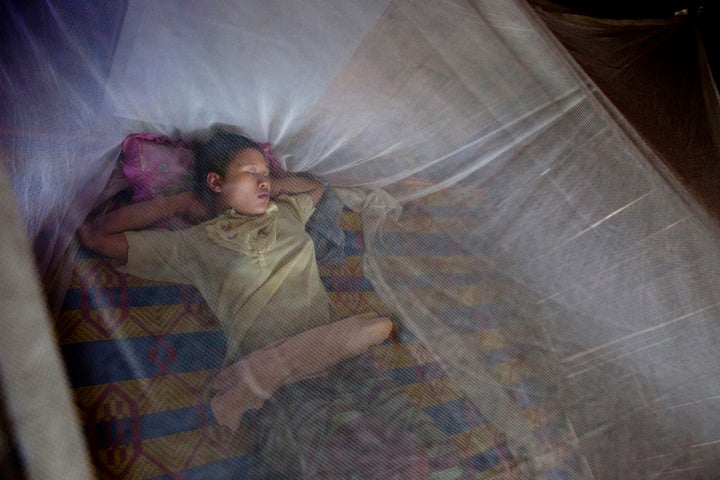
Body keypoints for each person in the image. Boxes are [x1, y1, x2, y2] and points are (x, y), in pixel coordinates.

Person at [79, 129, 463, 479]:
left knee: (422, 443)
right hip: (277, 377)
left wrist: (267, 186)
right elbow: (98, 236)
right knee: (337, 459)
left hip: (340, 352)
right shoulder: (194, 245)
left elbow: (314, 188)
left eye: (265, 172)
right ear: (215, 182)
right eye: (250, 172)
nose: (264, 181)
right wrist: (181, 202)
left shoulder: (289, 213)